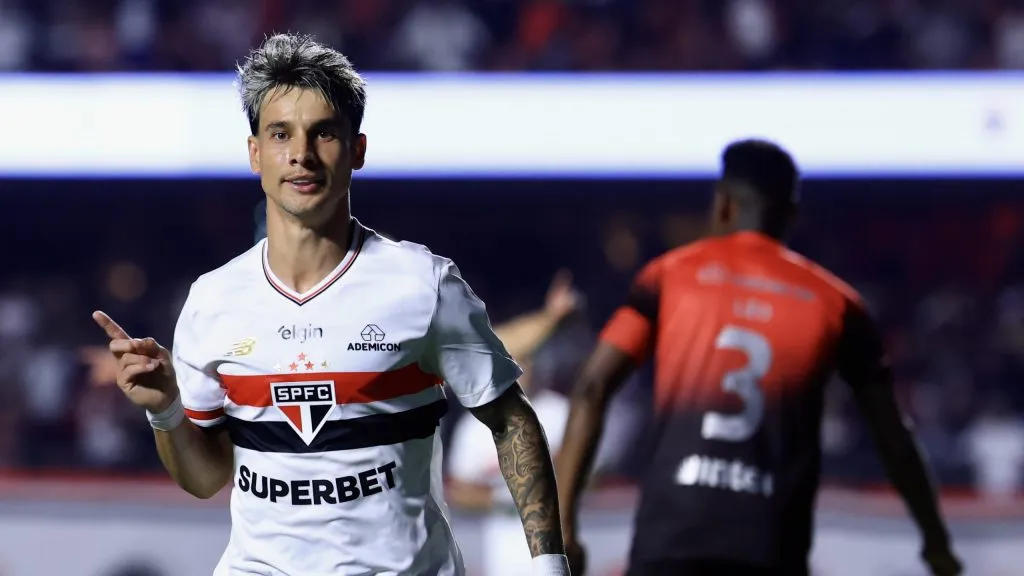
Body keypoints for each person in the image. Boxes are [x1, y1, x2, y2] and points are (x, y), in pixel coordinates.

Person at [91, 33, 569, 576]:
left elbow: (511, 421)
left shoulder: (422, 283)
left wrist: (549, 565)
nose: (301, 154)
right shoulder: (213, 299)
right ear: (255, 153)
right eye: (280, 134)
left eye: (324, 133)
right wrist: (165, 409)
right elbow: (204, 479)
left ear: (357, 150)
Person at [555, 139, 963, 576]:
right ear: (790, 215)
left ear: (724, 204)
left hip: (670, 539)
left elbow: (593, 387)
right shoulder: (838, 303)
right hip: (770, 548)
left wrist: (561, 527)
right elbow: (893, 438)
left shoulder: (669, 276)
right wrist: (935, 542)